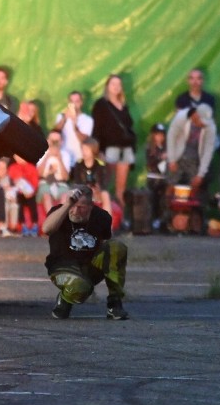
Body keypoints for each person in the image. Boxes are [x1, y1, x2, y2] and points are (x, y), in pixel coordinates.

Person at [43, 186, 129, 321]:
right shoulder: (59, 212)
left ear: (91, 206)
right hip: (62, 267)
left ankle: (115, 303)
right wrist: (67, 205)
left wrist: (106, 267)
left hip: (88, 266)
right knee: (81, 287)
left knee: (117, 247)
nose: (75, 210)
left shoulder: (102, 217)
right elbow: (46, 228)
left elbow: (105, 243)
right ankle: (64, 300)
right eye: (73, 205)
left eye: (81, 207)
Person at [166, 104, 217, 228]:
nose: (204, 125)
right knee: (170, 184)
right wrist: (171, 160)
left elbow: (208, 151)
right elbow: (171, 137)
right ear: (195, 116)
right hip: (178, 156)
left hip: (195, 159)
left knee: (195, 188)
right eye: (202, 121)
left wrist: (201, 174)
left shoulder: (211, 127)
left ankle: (194, 220)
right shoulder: (181, 117)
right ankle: (166, 216)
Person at [92, 74, 136, 208]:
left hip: (125, 149)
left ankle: (120, 219)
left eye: (118, 84)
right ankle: (98, 215)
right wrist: (99, 150)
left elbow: (128, 126)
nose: (116, 87)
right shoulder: (101, 104)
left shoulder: (124, 105)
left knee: (120, 189)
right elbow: (97, 128)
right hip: (108, 149)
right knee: (102, 185)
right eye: (113, 84)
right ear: (107, 86)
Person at [70, 138, 112, 217]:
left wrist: (96, 189)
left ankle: (107, 223)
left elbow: (103, 182)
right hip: (83, 191)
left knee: (105, 194)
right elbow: (77, 182)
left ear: (93, 150)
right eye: (82, 149)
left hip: (97, 191)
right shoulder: (78, 164)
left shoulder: (100, 165)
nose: (83, 152)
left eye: (86, 149)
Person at [52, 91, 93, 165]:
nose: (74, 104)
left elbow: (84, 139)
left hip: (80, 159)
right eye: (71, 101)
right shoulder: (61, 117)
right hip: (64, 159)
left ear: (81, 103)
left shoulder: (88, 120)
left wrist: (74, 125)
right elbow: (54, 133)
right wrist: (64, 118)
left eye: (77, 101)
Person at [36, 130, 72, 213]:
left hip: (61, 183)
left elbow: (66, 177)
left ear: (61, 142)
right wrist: (47, 157)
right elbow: (39, 174)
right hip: (45, 182)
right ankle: (52, 219)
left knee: (65, 197)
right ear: (48, 140)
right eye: (52, 141)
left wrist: (60, 159)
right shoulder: (42, 153)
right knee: (46, 196)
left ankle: (60, 220)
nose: (54, 143)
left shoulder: (65, 154)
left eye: (57, 141)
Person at [7, 155, 40, 237]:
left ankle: (35, 225)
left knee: (32, 202)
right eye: (17, 157)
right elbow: (12, 181)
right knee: (19, 203)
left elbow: (35, 183)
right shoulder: (13, 167)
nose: (19, 159)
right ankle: (23, 225)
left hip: (30, 193)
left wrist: (31, 191)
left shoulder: (31, 167)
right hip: (19, 193)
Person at [145, 123, 167, 230]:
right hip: (153, 178)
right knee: (153, 200)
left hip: (163, 178)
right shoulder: (150, 148)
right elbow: (150, 163)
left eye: (162, 135)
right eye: (157, 134)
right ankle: (152, 219)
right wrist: (160, 158)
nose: (160, 137)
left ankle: (160, 219)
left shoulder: (166, 148)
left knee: (162, 200)